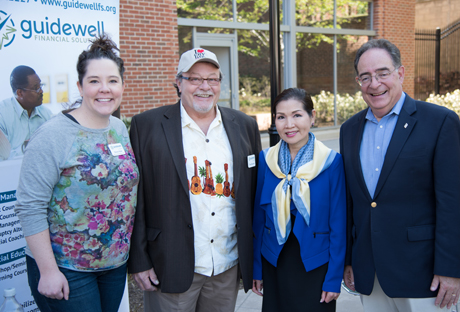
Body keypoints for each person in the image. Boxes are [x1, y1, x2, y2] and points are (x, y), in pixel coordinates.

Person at [128, 48, 262, 311]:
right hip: (170, 264)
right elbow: (136, 200)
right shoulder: (147, 126)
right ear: (179, 83)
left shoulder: (244, 125)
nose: (205, 87)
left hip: (226, 265)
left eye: (212, 79)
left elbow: (254, 195)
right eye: (194, 79)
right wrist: (139, 260)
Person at [14, 35, 139, 312]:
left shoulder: (118, 128)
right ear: (80, 86)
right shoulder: (53, 135)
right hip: (66, 268)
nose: (104, 89)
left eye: (112, 81)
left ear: (122, 85)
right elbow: (30, 206)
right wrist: (48, 271)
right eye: (94, 81)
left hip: (113, 264)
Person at [340, 38, 460, 312]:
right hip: (370, 272)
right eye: (365, 77)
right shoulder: (349, 129)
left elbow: (452, 203)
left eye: (383, 73)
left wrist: (451, 268)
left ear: (400, 73)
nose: (374, 83)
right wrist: (349, 259)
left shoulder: (440, 122)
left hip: (424, 275)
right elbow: (351, 202)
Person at [252, 88, 346, 312]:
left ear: (312, 117)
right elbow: (258, 218)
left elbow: (339, 225)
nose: (289, 124)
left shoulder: (331, 162)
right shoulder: (266, 160)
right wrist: (257, 268)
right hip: (275, 260)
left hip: (315, 263)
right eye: (281, 117)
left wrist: (334, 278)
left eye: (297, 115)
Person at [0, 65, 52, 159]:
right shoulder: (2, 114)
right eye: (35, 88)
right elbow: (2, 157)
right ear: (20, 93)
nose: (41, 91)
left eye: (40, 85)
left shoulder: (46, 114)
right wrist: (25, 148)